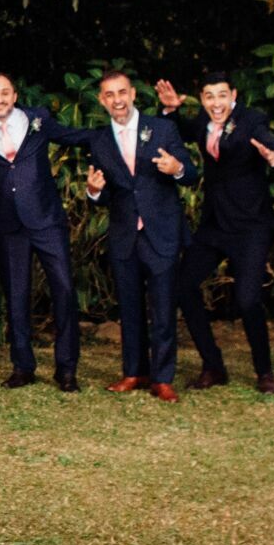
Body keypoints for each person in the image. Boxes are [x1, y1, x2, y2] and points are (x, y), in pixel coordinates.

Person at [155, 72, 274, 394]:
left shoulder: (252, 120)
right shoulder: (204, 119)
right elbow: (184, 130)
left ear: (234, 95)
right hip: (215, 224)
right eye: (209, 96)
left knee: (247, 299)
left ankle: (265, 371)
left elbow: (271, 145)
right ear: (202, 99)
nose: (216, 103)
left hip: (249, 225)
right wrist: (171, 111)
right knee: (183, 287)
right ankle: (213, 365)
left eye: (222, 95)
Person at [77, 71, 198, 403]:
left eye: (122, 92)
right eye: (109, 95)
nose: (117, 100)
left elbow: (190, 173)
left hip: (161, 233)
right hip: (125, 235)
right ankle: (134, 372)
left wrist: (177, 169)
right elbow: (106, 193)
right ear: (102, 101)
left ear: (132, 94)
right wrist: (93, 191)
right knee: (129, 308)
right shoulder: (99, 140)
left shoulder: (162, 128)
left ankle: (162, 378)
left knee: (163, 309)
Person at [0, 71, 85, 391]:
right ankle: (22, 366)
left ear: (15, 96)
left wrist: (112, 137)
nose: (0, 99)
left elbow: (73, 136)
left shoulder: (37, 119)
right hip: (9, 226)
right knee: (16, 296)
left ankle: (66, 369)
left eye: (5, 92)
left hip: (47, 221)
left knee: (64, 291)